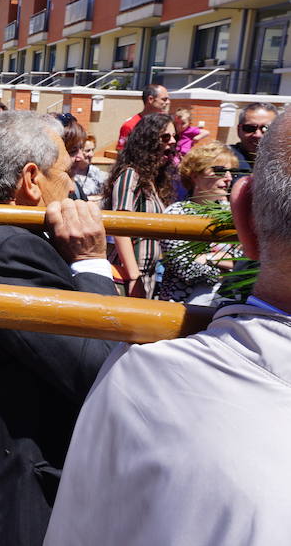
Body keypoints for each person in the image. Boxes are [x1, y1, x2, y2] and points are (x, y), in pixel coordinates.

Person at [45, 111, 291, 546]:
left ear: (244, 218)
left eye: (173, 139)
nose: (168, 145)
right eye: (162, 138)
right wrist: (126, 269)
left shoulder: (143, 379)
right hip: (171, 291)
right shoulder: (144, 185)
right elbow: (151, 240)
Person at [0, 110, 119, 546]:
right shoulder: (11, 250)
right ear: (32, 179)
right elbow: (98, 366)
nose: (74, 184)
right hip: (12, 505)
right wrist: (92, 263)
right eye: (66, 168)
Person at [104, 113, 177, 298]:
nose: (173, 141)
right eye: (166, 137)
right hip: (128, 276)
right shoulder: (130, 175)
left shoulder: (154, 181)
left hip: (149, 274)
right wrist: (133, 278)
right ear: (148, 140)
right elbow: (119, 228)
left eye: (175, 136)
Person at [159, 143, 239, 305]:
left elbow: (244, 261)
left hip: (227, 303)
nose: (229, 177)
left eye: (231, 172)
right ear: (195, 175)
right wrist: (226, 267)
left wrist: (206, 258)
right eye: (220, 171)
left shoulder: (233, 213)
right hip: (181, 304)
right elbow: (185, 269)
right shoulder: (176, 213)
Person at [229, 101, 278, 175]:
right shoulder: (221, 158)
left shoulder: (285, 164)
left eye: (266, 129)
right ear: (239, 130)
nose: (257, 135)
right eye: (249, 128)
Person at [117, 84, 170, 149]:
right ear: (150, 99)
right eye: (164, 99)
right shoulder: (130, 125)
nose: (168, 102)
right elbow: (122, 152)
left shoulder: (166, 123)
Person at [71, 135, 108, 200]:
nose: (91, 154)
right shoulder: (70, 172)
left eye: (92, 150)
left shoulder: (96, 172)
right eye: (87, 151)